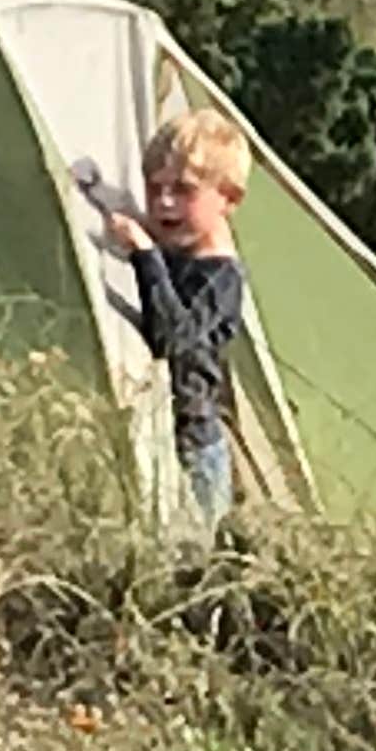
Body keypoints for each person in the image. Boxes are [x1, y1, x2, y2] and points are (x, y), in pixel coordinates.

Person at [89, 111, 252, 529]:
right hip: (160, 428)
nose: (164, 203)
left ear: (229, 200)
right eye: (154, 188)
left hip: (193, 444)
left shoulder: (221, 279)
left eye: (183, 191)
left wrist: (144, 254)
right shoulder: (177, 248)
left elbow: (171, 338)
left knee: (190, 558)